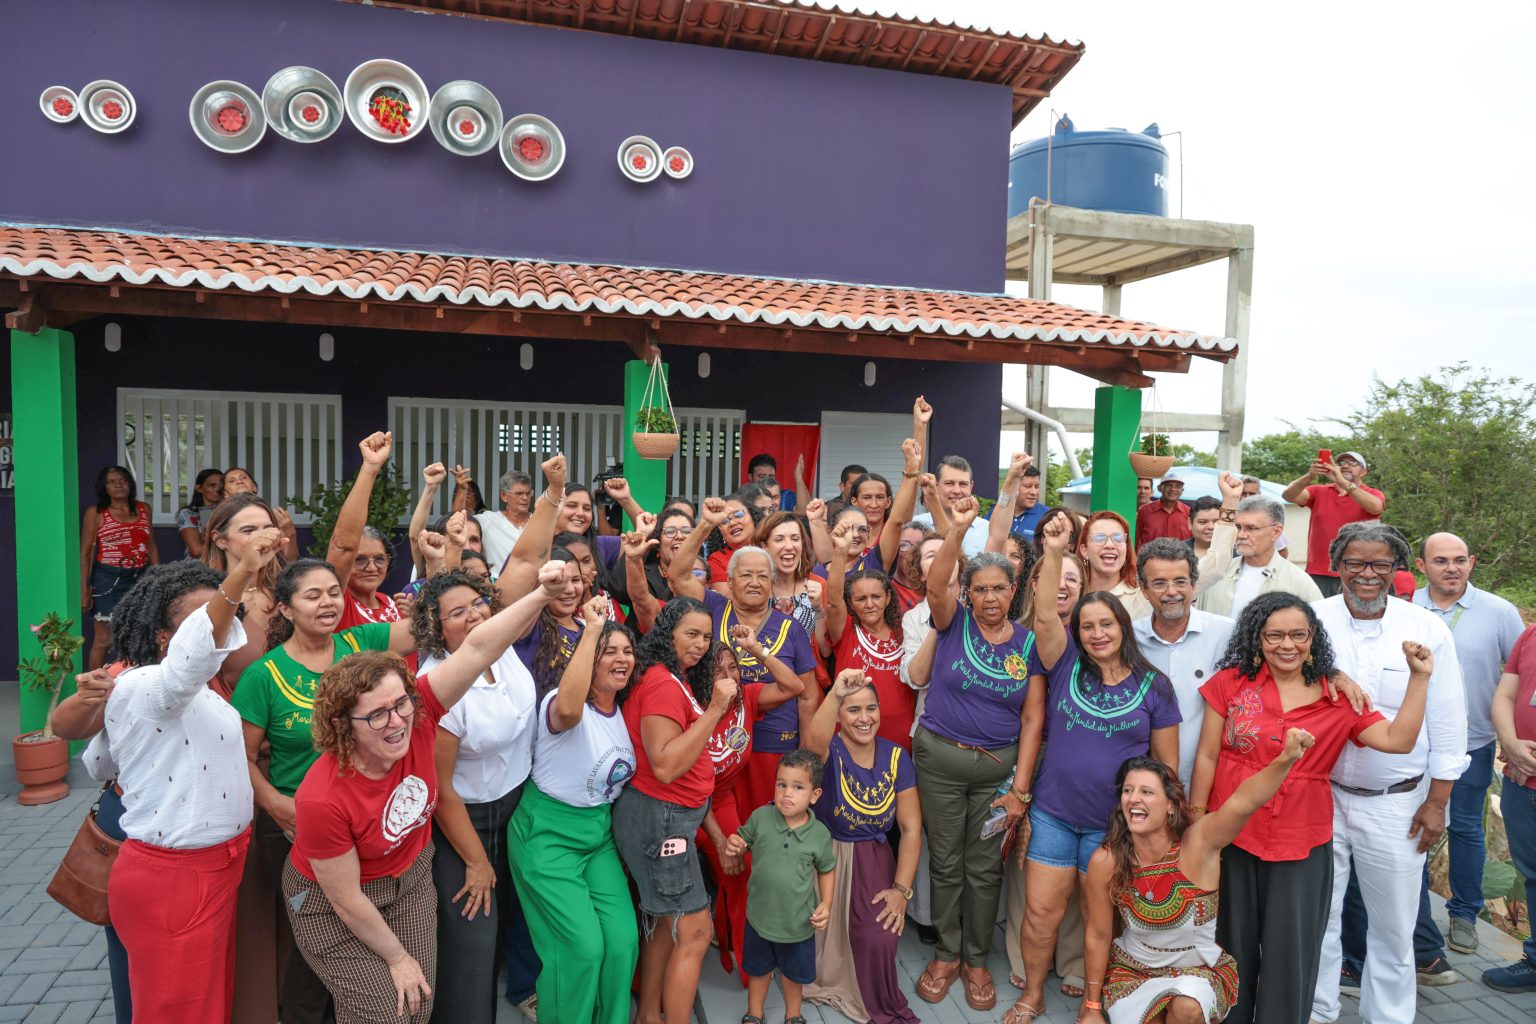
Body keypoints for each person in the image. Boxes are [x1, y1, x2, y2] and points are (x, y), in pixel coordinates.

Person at [280, 565, 563, 1023]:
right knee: (385, 1010)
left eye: (401, 704)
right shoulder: (322, 798)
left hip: (409, 878)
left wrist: (543, 594)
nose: (397, 722)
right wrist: (397, 958)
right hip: (334, 903)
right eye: (376, 715)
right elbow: (347, 901)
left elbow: (479, 647)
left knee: (420, 1001)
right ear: (341, 726)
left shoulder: (423, 711)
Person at [1187, 590, 1435, 1024]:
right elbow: (1207, 755)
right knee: (1230, 945)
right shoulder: (1231, 683)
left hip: (1300, 840)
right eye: (1275, 635)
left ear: (1312, 638)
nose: (1287, 645)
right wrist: (1196, 820)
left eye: (1298, 635)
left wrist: (1419, 678)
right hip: (1232, 834)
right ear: (1257, 638)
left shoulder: (1338, 698)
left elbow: (1398, 741)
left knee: (1291, 952)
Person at [89, 530, 280, 1019]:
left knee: (204, 1005)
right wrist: (242, 572)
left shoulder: (191, 692)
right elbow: (188, 662)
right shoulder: (148, 682)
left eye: (226, 614)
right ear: (163, 637)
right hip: (176, 878)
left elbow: (100, 764)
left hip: (213, 869)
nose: (220, 625)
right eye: (204, 618)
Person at [1009, 515, 1182, 1024]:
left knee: (1101, 921)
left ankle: (1091, 1004)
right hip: (1054, 817)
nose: (1097, 633)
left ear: (1123, 627)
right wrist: (1055, 552)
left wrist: (1157, 832)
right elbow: (1045, 616)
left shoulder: (1155, 687)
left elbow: (1167, 770)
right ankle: (1032, 994)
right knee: (1041, 914)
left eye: (1107, 624)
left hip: (1114, 827)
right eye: (1087, 626)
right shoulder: (1063, 663)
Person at [1311, 523, 1468, 1024]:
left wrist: (1437, 802)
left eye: (1380, 564)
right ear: (1337, 567)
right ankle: (1317, 1011)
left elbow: (1448, 722)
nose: (1368, 574)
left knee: (1394, 927)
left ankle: (1389, 1017)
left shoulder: (1425, 629)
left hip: (1398, 802)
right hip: (1320, 797)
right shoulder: (1313, 620)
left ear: (1397, 568)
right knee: (1319, 919)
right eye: (1355, 563)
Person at [1077, 734, 1316, 1024]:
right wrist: (1092, 1006)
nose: (1133, 798)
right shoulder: (1107, 860)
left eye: (1146, 791)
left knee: (1187, 1009)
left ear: (1170, 805)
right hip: (1133, 971)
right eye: (1128, 790)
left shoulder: (1198, 844)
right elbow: (1098, 935)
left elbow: (1242, 802)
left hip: (1196, 971)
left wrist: (1286, 759)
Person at [911, 496, 1042, 1012]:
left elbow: (1032, 720)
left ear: (1014, 589)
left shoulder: (1028, 644)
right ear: (967, 592)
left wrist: (1021, 790)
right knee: (945, 863)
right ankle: (946, 955)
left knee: (985, 869)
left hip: (996, 775)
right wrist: (958, 529)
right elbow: (935, 583)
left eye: (999, 588)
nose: (990, 597)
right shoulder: (953, 621)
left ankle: (976, 960)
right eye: (981, 588)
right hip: (939, 762)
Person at [415, 569, 543, 1023]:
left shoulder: (500, 649)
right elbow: (441, 790)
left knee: (510, 921)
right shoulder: (439, 684)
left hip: (516, 807)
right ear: (436, 626)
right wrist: (476, 861)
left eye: (478, 604)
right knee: (473, 938)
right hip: (466, 821)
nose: (473, 615)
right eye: (457, 612)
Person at [508, 594, 640, 1022]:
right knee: (582, 950)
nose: (621, 659)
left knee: (622, 942)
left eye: (627, 651)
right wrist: (592, 629)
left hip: (597, 837)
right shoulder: (562, 703)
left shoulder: (622, 713)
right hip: (547, 835)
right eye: (608, 651)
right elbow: (567, 708)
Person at [612, 598, 738, 1024]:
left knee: (666, 923)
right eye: (691, 634)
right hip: (661, 819)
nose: (701, 644)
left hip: (666, 816)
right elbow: (665, 765)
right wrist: (716, 708)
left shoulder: (672, 676)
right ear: (668, 634)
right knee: (697, 932)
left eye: (706, 636)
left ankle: (649, 1015)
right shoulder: (663, 684)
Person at [659, 499, 820, 820]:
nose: (754, 583)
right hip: (715, 740)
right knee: (721, 827)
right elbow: (677, 575)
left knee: (766, 826)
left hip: (773, 744)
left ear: (771, 582)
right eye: (746, 575)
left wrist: (804, 752)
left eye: (762, 576)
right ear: (730, 582)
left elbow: (808, 695)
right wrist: (705, 524)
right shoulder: (713, 607)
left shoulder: (791, 629)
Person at [1411, 532, 1525, 956]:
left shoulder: (1499, 612)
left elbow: (1523, 675)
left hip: (1472, 741)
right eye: (1441, 560)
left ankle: (1463, 913)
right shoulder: (1406, 609)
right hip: (1411, 742)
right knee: (1410, 827)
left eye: (1460, 560)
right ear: (1421, 565)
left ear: (1472, 562)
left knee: (1464, 826)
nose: (1452, 568)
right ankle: (1414, 916)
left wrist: (1514, 737)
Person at [801, 669, 923, 1024]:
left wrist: (901, 890)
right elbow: (811, 745)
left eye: (871, 708)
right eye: (853, 709)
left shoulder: (897, 756)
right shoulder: (830, 751)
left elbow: (911, 828)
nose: (864, 718)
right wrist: (835, 692)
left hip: (873, 859)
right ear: (839, 715)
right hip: (826, 859)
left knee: (879, 938)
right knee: (809, 937)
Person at [1002, 544, 1089, 998]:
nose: (1063, 585)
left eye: (1073, 578)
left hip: (1080, 756)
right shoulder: (1016, 636)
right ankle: (1022, 954)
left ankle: (1072, 958)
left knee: (1074, 861)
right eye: (1056, 576)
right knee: (1027, 858)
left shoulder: (1098, 635)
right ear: (1035, 584)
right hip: (1029, 752)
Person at [724, 749, 836, 1024]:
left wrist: (826, 903)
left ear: (814, 795)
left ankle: (793, 1015)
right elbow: (742, 840)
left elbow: (826, 869)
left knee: (793, 975)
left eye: (798, 787)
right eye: (782, 784)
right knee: (758, 970)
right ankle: (755, 1013)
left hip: (797, 924)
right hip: (759, 919)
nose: (787, 793)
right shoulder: (761, 817)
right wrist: (735, 845)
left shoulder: (819, 834)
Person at [1132, 538, 1236, 783]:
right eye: (1159, 583)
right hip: (1144, 783)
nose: (1171, 592)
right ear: (1144, 589)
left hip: (1211, 780)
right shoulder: (1129, 639)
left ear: (1193, 584)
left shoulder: (1227, 634)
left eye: (1180, 581)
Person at [825, 519, 912, 746]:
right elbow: (833, 602)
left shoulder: (905, 630)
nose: (870, 604)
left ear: (888, 597)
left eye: (876, 596)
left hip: (902, 736)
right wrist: (840, 552)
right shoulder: (846, 631)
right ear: (850, 603)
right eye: (861, 599)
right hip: (853, 734)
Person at [1485, 622, 1536, 992]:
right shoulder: (1531, 635)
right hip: (1522, 782)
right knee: (1532, 875)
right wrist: (1512, 743)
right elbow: (1505, 696)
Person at [326, 432, 407, 635]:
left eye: (379, 559)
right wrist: (370, 468)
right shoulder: (337, 602)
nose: (371, 567)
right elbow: (343, 546)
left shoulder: (394, 605)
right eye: (359, 560)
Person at [80, 465, 160, 669]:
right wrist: (84, 589)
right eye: (111, 482)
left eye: (123, 480)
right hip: (108, 579)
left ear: (130, 484)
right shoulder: (97, 513)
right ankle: (94, 684)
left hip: (140, 577)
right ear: (104, 487)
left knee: (139, 635)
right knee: (104, 640)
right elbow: (85, 553)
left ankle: (132, 680)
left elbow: (150, 544)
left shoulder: (143, 509)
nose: (118, 485)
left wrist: (159, 576)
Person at [1198, 495, 1322, 619]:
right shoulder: (1215, 574)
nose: (1241, 535)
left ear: (1276, 532)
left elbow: (1319, 625)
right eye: (1238, 527)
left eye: (1251, 528)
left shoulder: (1299, 583)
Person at [1281, 450, 1384, 597]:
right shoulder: (1319, 491)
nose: (1345, 466)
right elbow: (1288, 495)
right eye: (1341, 463)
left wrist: (1344, 483)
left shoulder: (1372, 493)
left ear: (1363, 472)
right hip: (1319, 572)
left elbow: (1375, 507)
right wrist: (1309, 476)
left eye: (1352, 463)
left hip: (1359, 572)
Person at [1076, 510, 1150, 619]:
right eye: (1100, 538)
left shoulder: (1145, 596)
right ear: (1084, 550)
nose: (1110, 545)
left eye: (1118, 538)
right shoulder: (1073, 592)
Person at [912, 455, 989, 556]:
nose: (957, 491)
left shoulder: (986, 530)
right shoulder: (916, 524)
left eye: (963, 484)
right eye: (949, 483)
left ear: (971, 487)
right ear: (937, 486)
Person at [475, 469, 534, 572]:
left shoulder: (539, 522)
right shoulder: (488, 520)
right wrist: (462, 490)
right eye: (519, 493)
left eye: (528, 493)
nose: (525, 498)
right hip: (497, 581)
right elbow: (458, 520)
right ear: (503, 496)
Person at [992, 454, 1046, 544]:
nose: (1034, 492)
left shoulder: (1047, 516)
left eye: (1037, 487)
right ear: (1015, 486)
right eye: (1028, 486)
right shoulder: (996, 514)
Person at [176, 468, 224, 557]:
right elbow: (196, 550)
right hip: (199, 563)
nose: (218, 489)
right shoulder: (188, 513)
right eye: (212, 485)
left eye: (221, 486)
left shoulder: (228, 512)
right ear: (199, 488)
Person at [1135, 475, 1192, 545]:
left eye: (1178, 486)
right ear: (1159, 488)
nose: (1173, 489)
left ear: (1182, 491)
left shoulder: (1189, 512)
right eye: (1169, 485)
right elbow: (1136, 540)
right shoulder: (1144, 511)